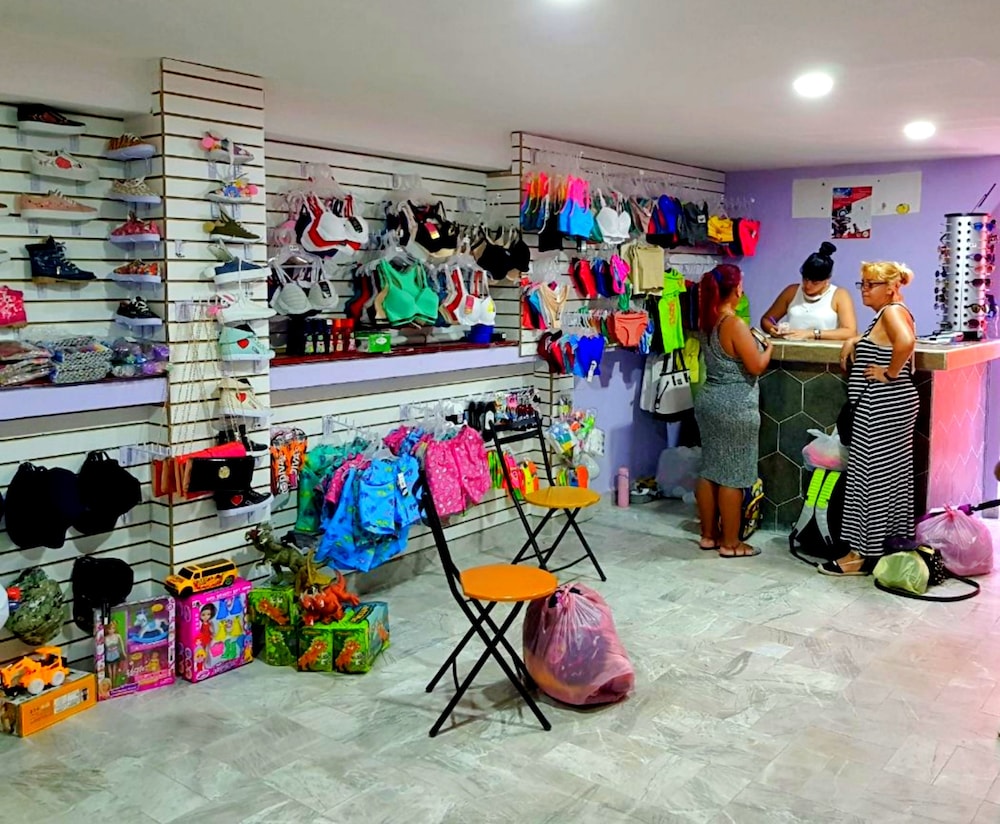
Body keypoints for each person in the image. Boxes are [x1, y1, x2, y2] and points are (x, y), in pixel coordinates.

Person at [821, 261, 918, 575]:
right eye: (862, 283)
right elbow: (885, 342)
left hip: (881, 406)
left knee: (868, 480)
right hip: (891, 406)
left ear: (891, 287)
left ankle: (858, 556)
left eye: (871, 284)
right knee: (889, 481)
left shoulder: (891, 312)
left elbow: (905, 342)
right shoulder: (891, 312)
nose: (864, 290)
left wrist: (889, 374)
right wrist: (855, 340)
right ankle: (884, 549)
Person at [694, 264, 773, 558]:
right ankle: (731, 543)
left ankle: (708, 536)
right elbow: (756, 366)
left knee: (710, 470)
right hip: (735, 406)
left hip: (709, 402)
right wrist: (769, 349)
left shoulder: (707, 319)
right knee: (733, 475)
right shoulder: (734, 324)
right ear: (737, 289)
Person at [760, 242, 857, 341]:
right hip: (791, 347)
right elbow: (766, 320)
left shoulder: (839, 295)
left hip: (824, 349)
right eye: (805, 279)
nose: (808, 285)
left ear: (826, 280)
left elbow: (850, 332)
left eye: (815, 283)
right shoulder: (791, 292)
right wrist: (772, 329)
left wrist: (811, 334)